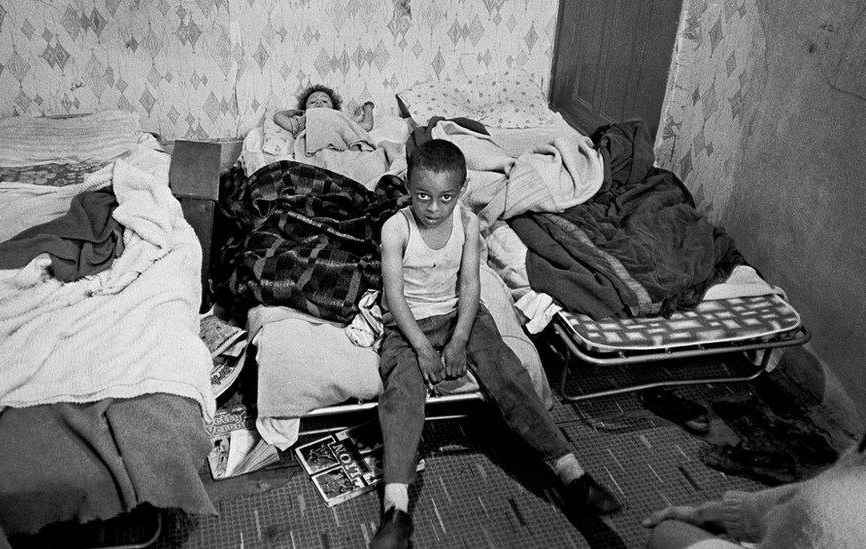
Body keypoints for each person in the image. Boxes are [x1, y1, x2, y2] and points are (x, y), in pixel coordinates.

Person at [370, 139, 622, 549]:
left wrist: (459, 340)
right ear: (407, 187)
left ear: (463, 192)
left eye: (446, 198)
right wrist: (422, 349)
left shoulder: (468, 224)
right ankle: (396, 510)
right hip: (408, 325)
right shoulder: (396, 228)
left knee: (507, 371)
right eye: (422, 196)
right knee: (402, 394)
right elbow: (395, 296)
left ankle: (571, 472)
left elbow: (471, 285)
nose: (433, 208)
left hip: (459, 316)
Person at [642, 431, 866, 549]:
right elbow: (810, 494)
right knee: (670, 532)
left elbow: (816, 506)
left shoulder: (833, 511)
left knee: (666, 533)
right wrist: (706, 515)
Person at [272, 84, 374, 135]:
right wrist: (294, 112)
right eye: (312, 102)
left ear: (334, 110)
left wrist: (368, 108)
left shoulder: (340, 119)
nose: (318, 102)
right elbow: (278, 117)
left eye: (325, 101)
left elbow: (366, 126)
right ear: (305, 110)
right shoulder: (302, 121)